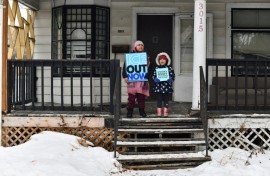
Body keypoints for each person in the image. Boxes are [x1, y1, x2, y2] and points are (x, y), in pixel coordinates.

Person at [122, 40, 150, 118]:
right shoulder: (130, 56)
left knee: (141, 97)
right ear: (135, 47)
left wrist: (147, 76)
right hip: (132, 81)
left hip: (142, 80)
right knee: (131, 98)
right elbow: (125, 66)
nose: (140, 46)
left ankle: (142, 111)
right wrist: (125, 76)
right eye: (138, 45)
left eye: (142, 45)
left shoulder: (146, 56)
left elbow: (148, 67)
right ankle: (130, 111)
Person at [152, 52, 175, 117]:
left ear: (166, 60)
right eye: (160, 59)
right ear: (158, 61)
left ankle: (165, 112)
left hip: (166, 87)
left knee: (166, 100)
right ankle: (159, 112)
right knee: (159, 100)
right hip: (159, 87)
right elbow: (153, 76)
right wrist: (155, 79)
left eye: (164, 59)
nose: (162, 61)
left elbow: (173, 76)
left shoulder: (170, 68)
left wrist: (170, 79)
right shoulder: (157, 68)